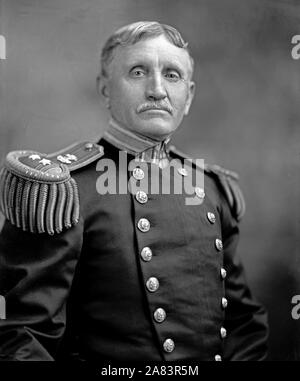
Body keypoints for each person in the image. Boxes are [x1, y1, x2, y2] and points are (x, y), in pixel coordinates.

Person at [0, 21, 268, 361]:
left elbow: (245, 324)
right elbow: (19, 333)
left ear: (189, 96)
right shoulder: (59, 190)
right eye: (138, 72)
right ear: (105, 89)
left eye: (172, 75)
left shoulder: (210, 189)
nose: (157, 89)